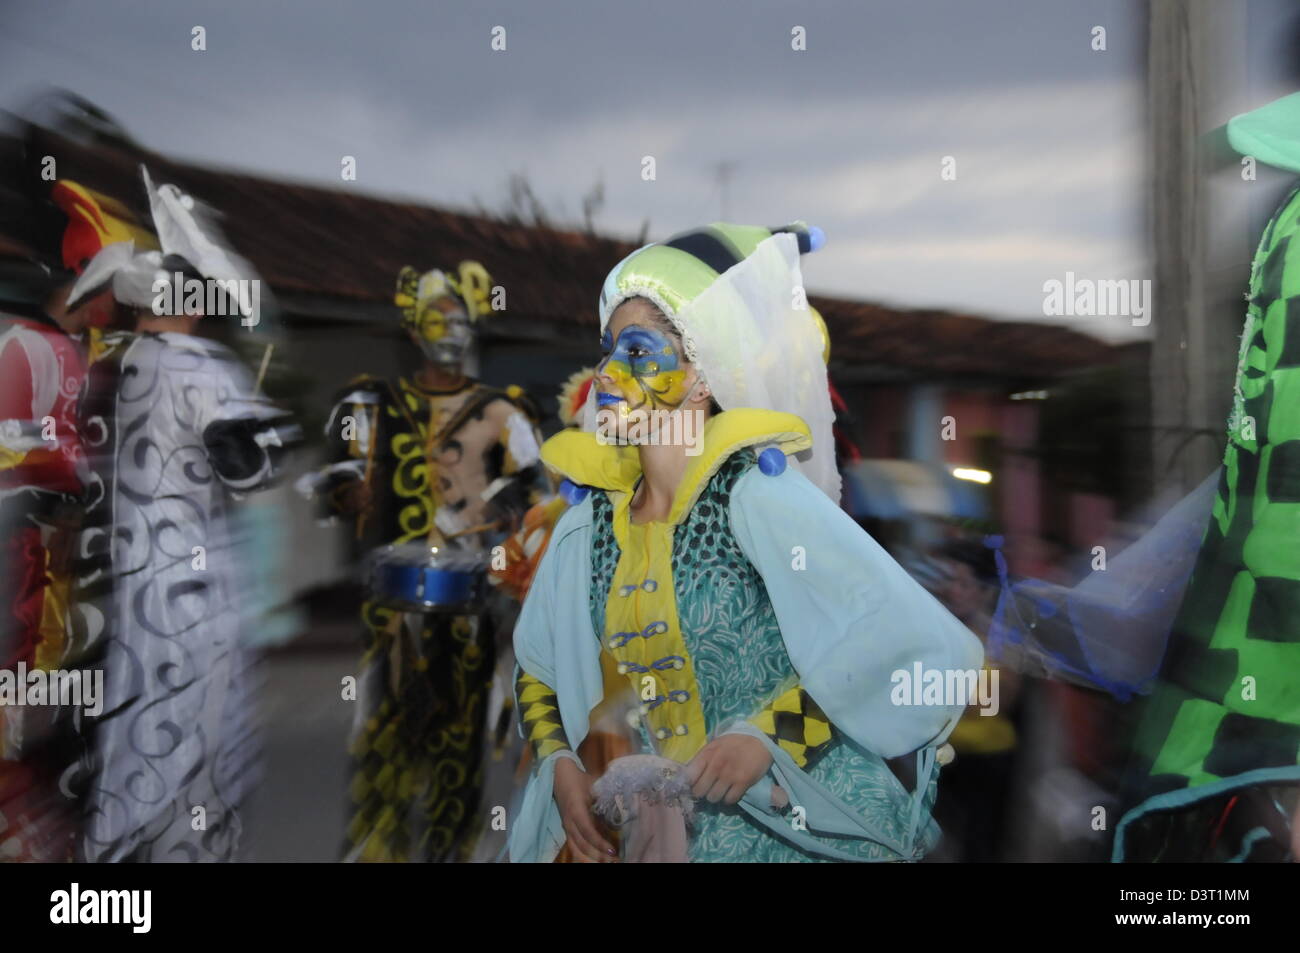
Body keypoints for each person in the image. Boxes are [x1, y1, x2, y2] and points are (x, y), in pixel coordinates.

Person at [507, 221, 982, 863]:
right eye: (607, 349)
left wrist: (771, 737)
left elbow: (907, 646)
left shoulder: (758, 498)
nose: (609, 373)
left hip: (785, 832)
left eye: (639, 351)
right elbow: (538, 670)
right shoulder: (582, 531)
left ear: (703, 375)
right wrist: (561, 763)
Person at [69, 168, 298, 862]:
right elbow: (254, 469)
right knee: (198, 763)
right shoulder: (201, 366)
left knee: (136, 751)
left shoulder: (116, 367)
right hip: (194, 604)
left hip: (135, 589)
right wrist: (266, 433)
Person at [302, 261, 544, 862]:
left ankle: (450, 854)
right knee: (384, 744)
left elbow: (538, 495)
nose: (452, 332)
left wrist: (502, 518)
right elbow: (335, 481)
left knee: (459, 754)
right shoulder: (371, 403)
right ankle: (377, 851)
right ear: (414, 331)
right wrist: (349, 493)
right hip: (391, 617)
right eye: (438, 320)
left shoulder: (503, 414)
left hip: (470, 616)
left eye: (460, 320)